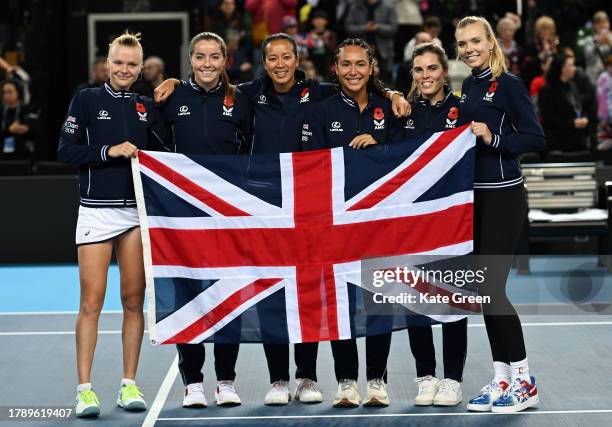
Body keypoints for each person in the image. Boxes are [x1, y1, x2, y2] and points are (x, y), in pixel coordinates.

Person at [155, 32, 409, 406]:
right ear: (264, 62)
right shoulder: (246, 94)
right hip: (263, 208)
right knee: (273, 290)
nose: (279, 64)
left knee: (307, 287)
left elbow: (360, 85)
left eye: (286, 57)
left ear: (297, 59)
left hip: (312, 207)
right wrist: (176, 81)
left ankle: (306, 375)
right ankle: (278, 379)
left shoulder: (320, 93)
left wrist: (392, 94)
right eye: (272, 58)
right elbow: (208, 86)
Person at [57, 32, 163, 418]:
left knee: (134, 302)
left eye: (132, 64)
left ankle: (128, 384)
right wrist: (109, 151)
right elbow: (65, 149)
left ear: (140, 69)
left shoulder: (145, 107)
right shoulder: (85, 99)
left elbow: (166, 154)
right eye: (118, 62)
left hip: (135, 216)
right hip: (96, 212)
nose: (124, 69)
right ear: (107, 62)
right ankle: (84, 390)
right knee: (91, 302)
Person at [155, 32, 253, 408]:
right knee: (189, 298)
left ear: (225, 60)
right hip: (184, 219)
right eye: (200, 57)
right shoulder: (171, 97)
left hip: (229, 216)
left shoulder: (242, 100)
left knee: (230, 296)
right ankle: (192, 382)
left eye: (214, 56)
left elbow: (252, 149)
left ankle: (226, 380)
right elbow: (156, 147)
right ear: (190, 60)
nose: (207, 63)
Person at [301, 38, 401, 408]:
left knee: (379, 302)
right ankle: (345, 381)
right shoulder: (319, 112)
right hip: (336, 224)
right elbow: (308, 168)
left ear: (371, 67)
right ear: (335, 69)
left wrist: (380, 146)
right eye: (346, 65)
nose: (353, 71)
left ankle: (377, 379)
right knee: (339, 303)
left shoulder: (390, 108)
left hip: (379, 223)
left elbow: (408, 157)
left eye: (361, 64)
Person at [454, 16, 545, 413]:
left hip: (505, 198)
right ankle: (502, 378)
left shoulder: (508, 84)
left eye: (476, 40)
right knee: (482, 292)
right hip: (476, 199)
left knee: (492, 290)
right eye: (462, 43)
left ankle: (524, 382)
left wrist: (494, 138)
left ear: (492, 42)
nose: (469, 47)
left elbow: (535, 137)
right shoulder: (470, 85)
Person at [398, 43, 467, 408]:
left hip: (453, 223)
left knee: (454, 302)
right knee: (415, 303)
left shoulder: (465, 108)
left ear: (445, 71)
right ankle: (426, 376)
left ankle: (452, 380)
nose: (425, 76)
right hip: (412, 225)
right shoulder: (404, 112)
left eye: (432, 69)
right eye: (418, 69)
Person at [538, 53, 591, 156]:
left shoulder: (573, 86)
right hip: (558, 145)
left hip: (577, 141)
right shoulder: (547, 90)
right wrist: (572, 123)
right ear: (562, 69)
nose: (574, 69)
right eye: (571, 65)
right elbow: (548, 119)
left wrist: (585, 118)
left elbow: (580, 108)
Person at [344, 0, 398, 82]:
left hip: (383, 51)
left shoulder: (389, 6)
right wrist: (364, 28)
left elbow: (393, 29)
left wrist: (378, 27)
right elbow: (348, 28)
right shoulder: (354, 6)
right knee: (360, 79)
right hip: (359, 49)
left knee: (383, 82)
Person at [1, 78, 39, 161]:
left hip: (23, 154)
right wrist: (9, 129)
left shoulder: (26, 110)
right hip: (3, 153)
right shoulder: (2, 110)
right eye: (5, 92)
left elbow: (36, 131)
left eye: (10, 92)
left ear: (18, 92)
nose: (7, 95)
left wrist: (27, 130)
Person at [584, 11, 612, 85]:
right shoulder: (589, 40)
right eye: (599, 23)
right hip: (594, 80)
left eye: (604, 22)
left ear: (609, 24)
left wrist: (609, 42)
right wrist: (597, 43)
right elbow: (589, 57)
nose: (602, 25)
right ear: (594, 26)